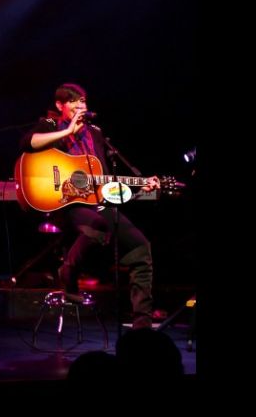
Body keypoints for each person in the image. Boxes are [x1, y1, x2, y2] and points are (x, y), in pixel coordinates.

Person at [20, 83, 160, 329]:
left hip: (94, 202)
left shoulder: (95, 133)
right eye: (73, 101)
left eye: (83, 101)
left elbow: (104, 181)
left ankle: (142, 323)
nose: (80, 105)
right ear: (60, 106)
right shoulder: (51, 125)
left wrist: (139, 185)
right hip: (65, 203)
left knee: (141, 248)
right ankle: (69, 270)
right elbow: (28, 143)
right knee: (97, 224)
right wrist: (68, 132)